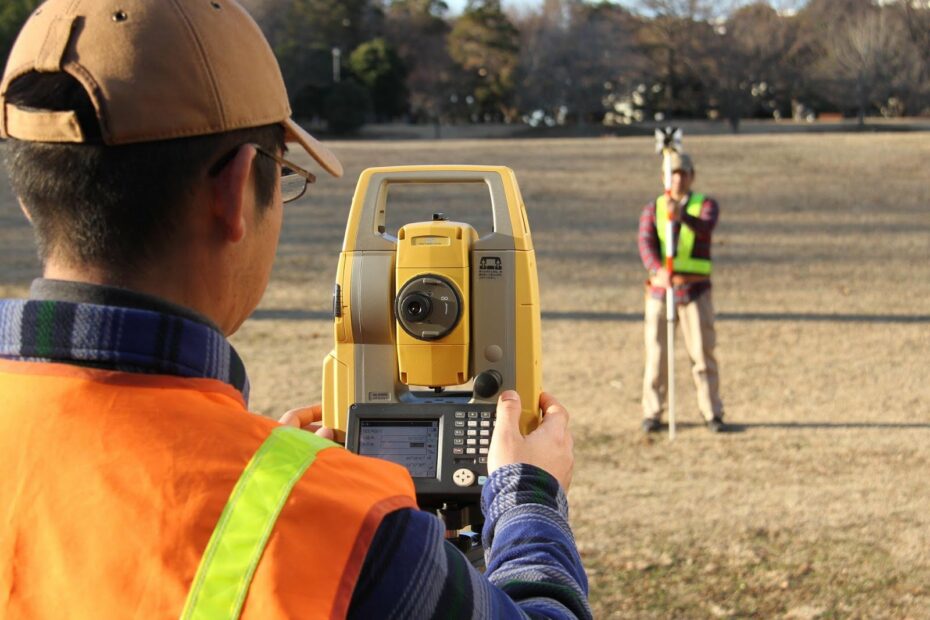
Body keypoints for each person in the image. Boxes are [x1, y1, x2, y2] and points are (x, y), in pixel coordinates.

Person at [0, 1, 590, 618]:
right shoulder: (344, 527)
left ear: (27, 197)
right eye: (286, 175)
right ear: (235, 191)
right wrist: (530, 502)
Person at [637, 151, 726, 434]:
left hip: (695, 290)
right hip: (662, 292)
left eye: (683, 173)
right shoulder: (654, 208)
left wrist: (682, 215)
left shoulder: (705, 205)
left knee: (702, 354)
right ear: (665, 177)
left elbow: (705, 228)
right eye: (672, 173)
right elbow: (646, 242)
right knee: (657, 355)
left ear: (691, 176)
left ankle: (712, 412)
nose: (677, 178)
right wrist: (657, 269)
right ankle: (652, 413)